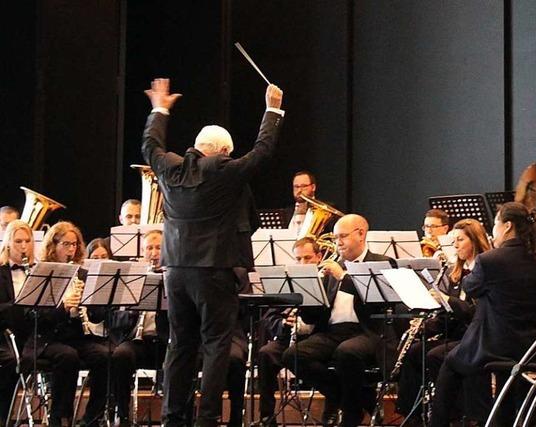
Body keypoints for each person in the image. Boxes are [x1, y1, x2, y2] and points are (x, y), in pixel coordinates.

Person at [141, 78, 284, 427]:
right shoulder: (225, 171)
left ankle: (173, 418)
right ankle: (206, 418)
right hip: (213, 270)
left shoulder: (169, 167)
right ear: (222, 152)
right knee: (217, 343)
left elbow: (150, 145)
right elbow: (262, 151)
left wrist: (160, 109)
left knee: (180, 345)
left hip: (175, 269)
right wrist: (272, 108)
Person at [430, 202, 536, 426]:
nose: (494, 230)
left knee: (451, 363)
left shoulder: (490, 260)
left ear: (507, 226)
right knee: (499, 374)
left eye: (496, 224)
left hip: (497, 344)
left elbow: (470, 288)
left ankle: (440, 423)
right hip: (533, 346)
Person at [282, 214, 399, 427]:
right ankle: (344, 396)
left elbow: (378, 303)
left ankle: (351, 414)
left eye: (342, 236)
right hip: (333, 331)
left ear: (361, 234)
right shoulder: (332, 266)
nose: (338, 243)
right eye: (335, 238)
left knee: (347, 352)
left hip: (368, 331)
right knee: (293, 355)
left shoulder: (381, 262)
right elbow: (316, 315)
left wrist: (343, 277)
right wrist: (307, 295)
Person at [396, 218, 491, 422]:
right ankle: (411, 415)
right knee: (414, 353)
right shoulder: (454, 274)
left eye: (460, 240)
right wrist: (424, 327)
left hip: (477, 337)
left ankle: (451, 414)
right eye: (453, 241)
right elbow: (448, 318)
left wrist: (448, 300)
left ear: (474, 241)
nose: (455, 245)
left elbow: (476, 314)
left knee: (436, 355)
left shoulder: (485, 271)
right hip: (457, 335)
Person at [22, 221, 109, 427]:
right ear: (53, 246)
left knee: (104, 356)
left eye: (75, 245)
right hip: (45, 339)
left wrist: (90, 304)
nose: (72, 249)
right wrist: (63, 307)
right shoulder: (42, 273)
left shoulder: (82, 274)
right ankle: (60, 418)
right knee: (67, 356)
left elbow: (97, 316)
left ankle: (92, 418)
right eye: (66, 244)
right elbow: (32, 316)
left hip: (74, 336)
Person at [257, 237, 321, 426]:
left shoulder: (328, 279)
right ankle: (267, 416)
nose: (302, 263)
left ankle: (333, 406)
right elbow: (269, 317)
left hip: (318, 338)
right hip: (290, 338)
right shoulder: (287, 282)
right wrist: (284, 322)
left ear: (318, 257)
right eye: (298, 259)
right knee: (265, 353)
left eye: (307, 258)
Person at [110, 229, 169, 427]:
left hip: (166, 340)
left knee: (182, 359)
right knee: (120, 355)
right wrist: (131, 310)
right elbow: (116, 322)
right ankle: (122, 415)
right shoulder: (132, 279)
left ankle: (173, 417)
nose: (153, 253)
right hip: (139, 341)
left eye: (158, 247)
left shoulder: (175, 278)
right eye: (149, 248)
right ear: (142, 252)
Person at [0, 220, 34, 424]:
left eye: (27, 241)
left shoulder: (37, 270)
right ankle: (4, 415)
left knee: (65, 356)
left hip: (30, 334)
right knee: (11, 361)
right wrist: (18, 305)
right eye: (18, 241)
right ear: (8, 244)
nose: (23, 246)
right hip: (4, 335)